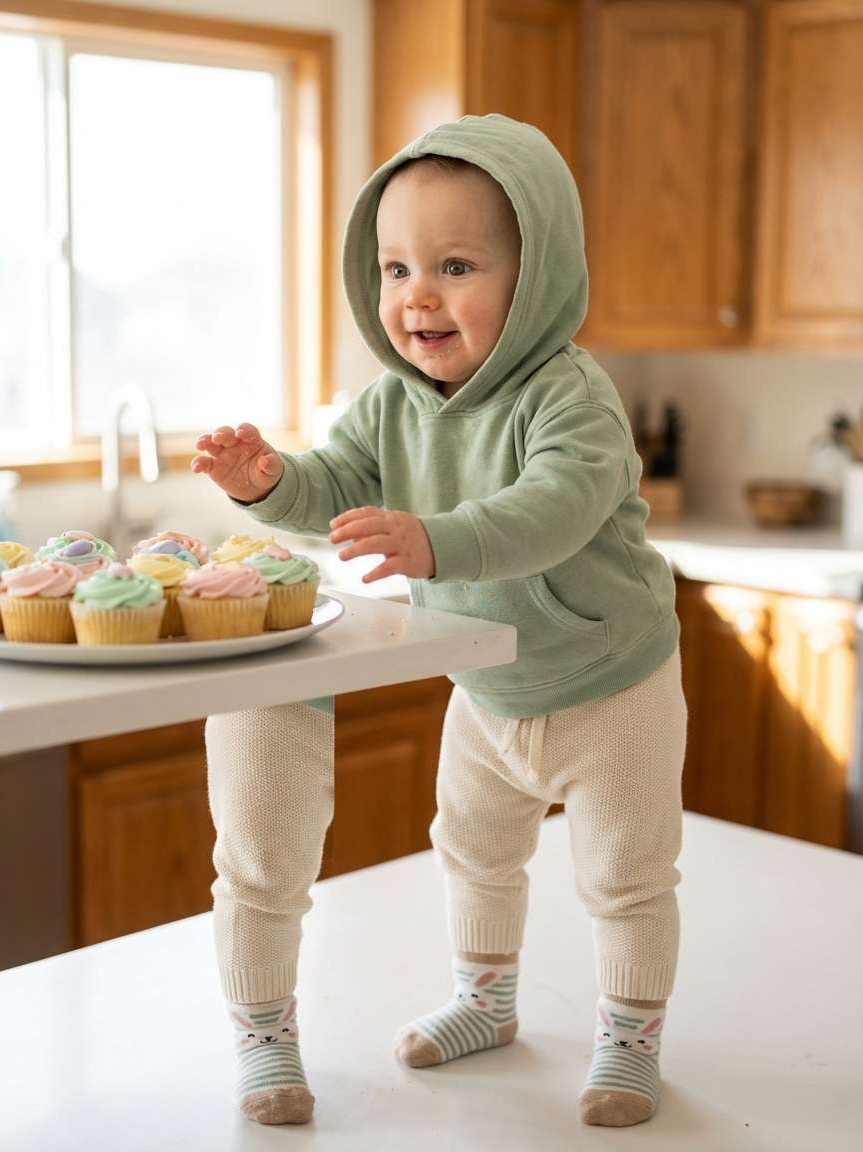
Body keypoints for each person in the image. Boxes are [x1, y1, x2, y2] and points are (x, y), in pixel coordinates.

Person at [192, 113, 686, 1129]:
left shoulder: (571, 399)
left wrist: (436, 543)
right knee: (470, 851)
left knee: (626, 877)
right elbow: (336, 488)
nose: (416, 295)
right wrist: (270, 483)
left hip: (612, 679)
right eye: (395, 266)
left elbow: (552, 509)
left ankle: (630, 1042)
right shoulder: (390, 402)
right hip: (487, 683)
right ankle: (486, 1002)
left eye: (455, 265)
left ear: (535, 276)